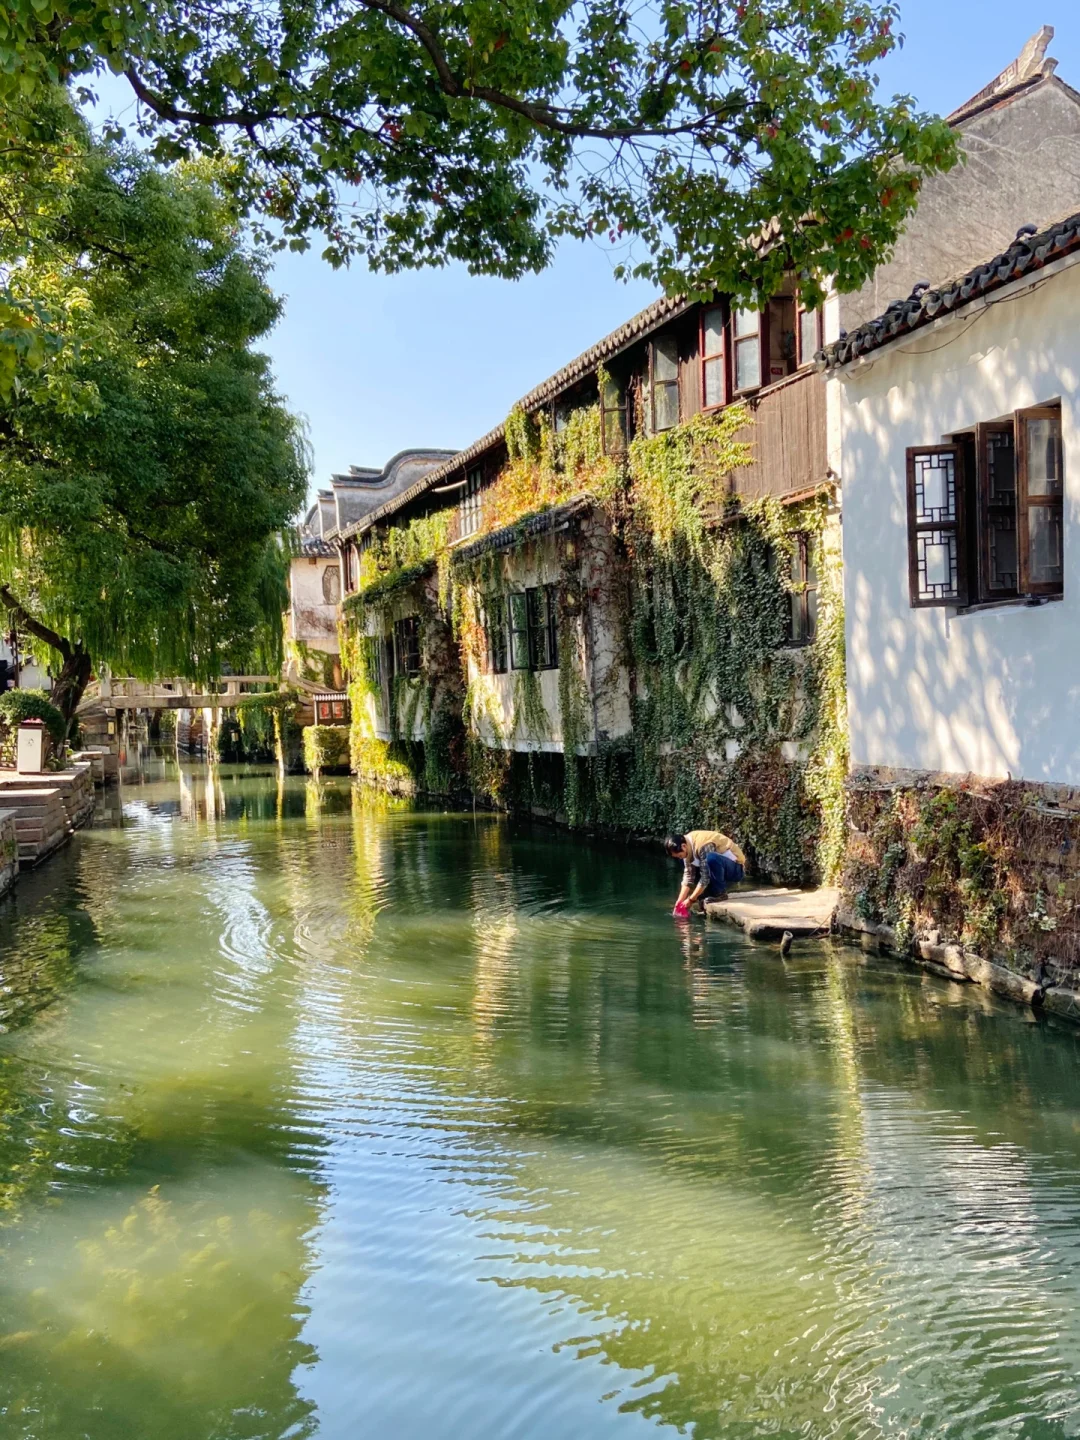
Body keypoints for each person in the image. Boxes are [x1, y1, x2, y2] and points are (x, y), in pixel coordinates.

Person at [665, 830, 746, 917]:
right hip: (718, 871)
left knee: (711, 858)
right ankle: (706, 895)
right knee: (690, 863)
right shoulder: (686, 845)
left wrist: (691, 900)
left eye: (679, 855)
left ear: (683, 846)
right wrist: (679, 901)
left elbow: (705, 878)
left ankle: (720, 893)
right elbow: (688, 877)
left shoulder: (703, 845)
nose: (680, 858)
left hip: (736, 869)